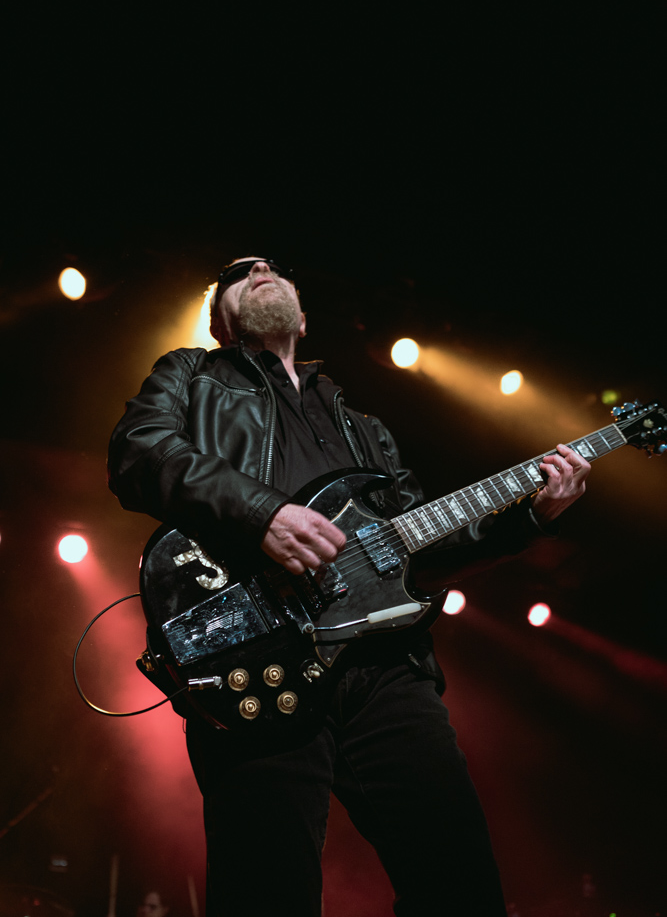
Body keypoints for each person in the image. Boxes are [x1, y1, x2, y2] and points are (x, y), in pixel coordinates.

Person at [108, 258, 590, 916]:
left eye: (275, 270)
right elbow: (138, 453)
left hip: (386, 671)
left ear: (303, 319)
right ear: (219, 320)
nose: (260, 270)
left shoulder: (365, 429)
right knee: (265, 895)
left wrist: (528, 518)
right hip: (254, 659)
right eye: (240, 274)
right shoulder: (191, 374)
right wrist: (262, 514)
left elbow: (417, 556)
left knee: (461, 888)